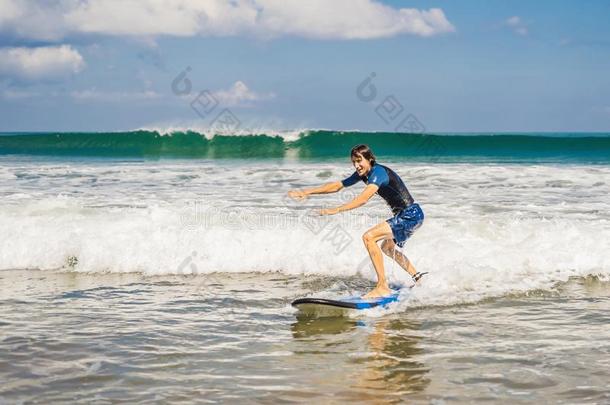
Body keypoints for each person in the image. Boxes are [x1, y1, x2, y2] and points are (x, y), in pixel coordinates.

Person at [288, 144, 426, 298]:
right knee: (387, 247)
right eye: (354, 162)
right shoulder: (364, 174)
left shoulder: (378, 173)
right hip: (410, 215)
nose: (356, 165)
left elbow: (363, 199)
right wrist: (306, 192)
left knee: (369, 237)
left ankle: (382, 286)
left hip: (410, 215)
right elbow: (337, 186)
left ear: (370, 159)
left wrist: (336, 209)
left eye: (359, 161)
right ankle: (418, 277)